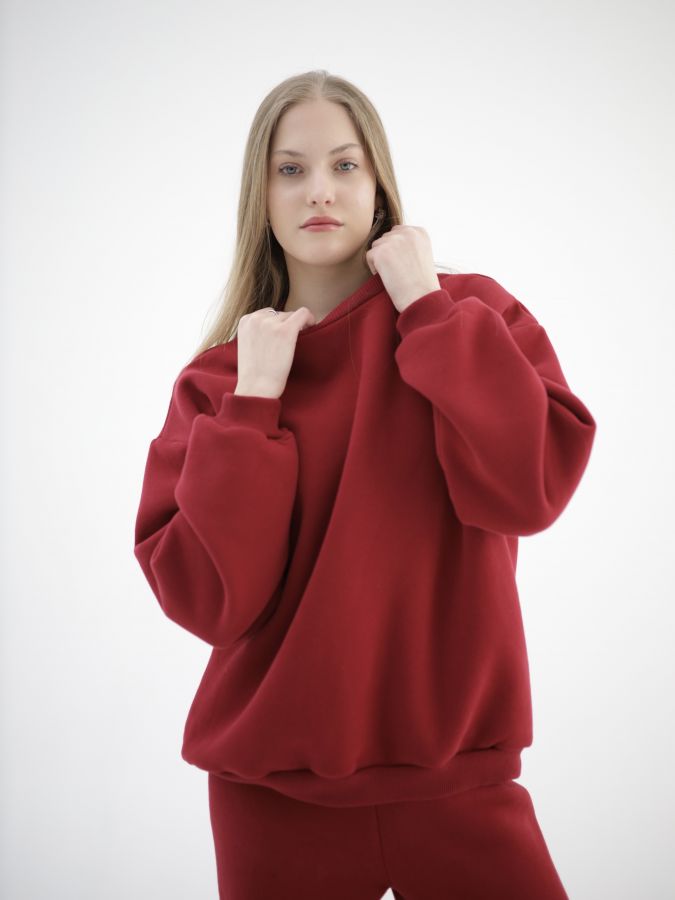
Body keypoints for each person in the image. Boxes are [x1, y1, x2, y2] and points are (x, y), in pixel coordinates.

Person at [133, 69, 597, 899]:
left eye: (345, 165)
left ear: (379, 185)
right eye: (290, 169)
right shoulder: (219, 383)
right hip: (271, 793)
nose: (319, 190)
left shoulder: (470, 315)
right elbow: (210, 602)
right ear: (259, 198)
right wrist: (253, 406)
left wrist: (425, 308)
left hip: (459, 779)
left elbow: (527, 490)